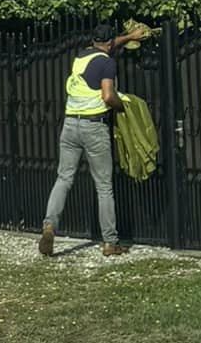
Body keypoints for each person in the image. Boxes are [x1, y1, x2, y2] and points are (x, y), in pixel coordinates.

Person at [38, 21, 149, 258]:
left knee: (64, 178)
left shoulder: (81, 56)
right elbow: (108, 95)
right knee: (104, 186)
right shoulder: (107, 63)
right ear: (108, 43)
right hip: (93, 127)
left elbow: (109, 45)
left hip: (70, 125)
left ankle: (49, 225)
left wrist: (130, 36)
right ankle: (110, 242)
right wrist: (122, 107)